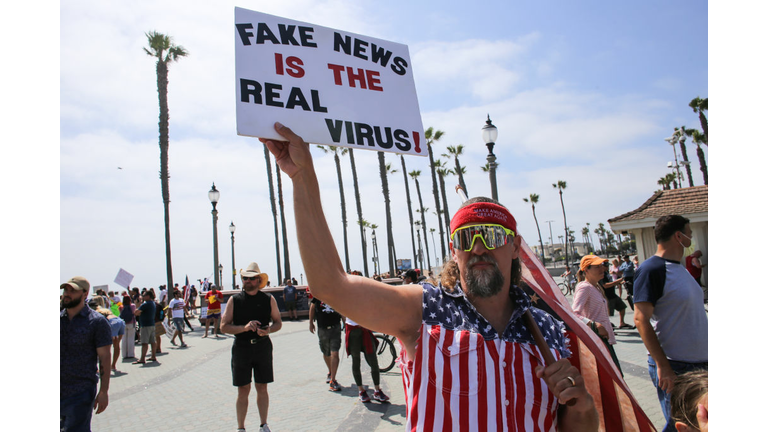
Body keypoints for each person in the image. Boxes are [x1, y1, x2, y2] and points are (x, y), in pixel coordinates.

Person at [261, 123, 598, 430]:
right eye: (467, 238)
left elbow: (573, 423)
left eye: (492, 236)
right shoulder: (424, 310)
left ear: (514, 247)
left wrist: (582, 406)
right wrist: (302, 177)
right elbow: (330, 286)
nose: (479, 248)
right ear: (455, 251)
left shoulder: (549, 331)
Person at [633, 215, 708, 432]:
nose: (691, 238)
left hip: (699, 363)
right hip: (677, 366)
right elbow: (640, 318)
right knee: (680, 425)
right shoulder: (651, 269)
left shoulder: (680, 268)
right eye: (689, 234)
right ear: (679, 236)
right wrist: (663, 365)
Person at [221, 262, 282, 432]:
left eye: (251, 278)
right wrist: (244, 328)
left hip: (262, 347)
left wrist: (268, 330)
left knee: (262, 387)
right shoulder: (235, 300)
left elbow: (278, 323)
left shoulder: (268, 299)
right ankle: (241, 428)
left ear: (258, 280)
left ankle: (264, 424)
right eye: (245, 278)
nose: (248, 281)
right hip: (242, 348)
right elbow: (223, 326)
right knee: (243, 389)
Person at [60, 276, 112, 431]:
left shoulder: (96, 322)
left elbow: (105, 357)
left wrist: (104, 391)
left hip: (80, 392)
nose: (67, 294)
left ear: (85, 294)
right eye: (66, 290)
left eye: (72, 291)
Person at [572, 256, 623, 375]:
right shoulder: (584, 287)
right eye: (597, 267)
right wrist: (594, 324)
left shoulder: (596, 287)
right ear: (586, 270)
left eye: (602, 266)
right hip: (596, 339)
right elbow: (574, 313)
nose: (602, 269)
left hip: (603, 339)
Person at [345, 316, 389, 403]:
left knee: (373, 362)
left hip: (365, 329)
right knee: (356, 361)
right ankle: (361, 390)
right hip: (352, 330)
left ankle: (377, 390)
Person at [309, 295, 344, 392]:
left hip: (335, 327)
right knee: (326, 353)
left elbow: (342, 309)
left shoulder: (336, 294)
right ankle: (330, 371)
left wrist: (345, 323)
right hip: (322, 328)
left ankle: (333, 380)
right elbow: (312, 307)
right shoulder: (318, 294)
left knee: (335, 353)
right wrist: (311, 323)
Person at [600, 261, 631, 329]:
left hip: (613, 294)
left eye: (608, 265)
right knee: (608, 314)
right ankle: (607, 327)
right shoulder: (601, 275)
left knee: (622, 307)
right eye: (606, 266)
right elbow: (605, 285)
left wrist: (619, 283)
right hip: (607, 296)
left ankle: (622, 323)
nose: (607, 267)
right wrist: (617, 281)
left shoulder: (606, 273)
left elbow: (610, 282)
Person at [96, 307, 126, 374]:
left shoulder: (100, 314)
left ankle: (105, 367)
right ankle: (113, 365)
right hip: (120, 321)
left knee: (106, 347)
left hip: (113, 323)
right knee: (116, 345)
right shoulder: (110, 313)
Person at [133, 290, 157, 364]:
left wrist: (137, 304)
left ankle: (142, 358)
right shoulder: (152, 303)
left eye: (144, 295)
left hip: (145, 325)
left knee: (144, 342)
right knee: (153, 341)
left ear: (148, 296)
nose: (143, 297)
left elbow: (136, 312)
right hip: (152, 324)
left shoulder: (145, 304)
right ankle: (153, 356)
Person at [119, 295, 136, 359]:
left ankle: (124, 354)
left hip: (124, 324)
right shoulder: (133, 306)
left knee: (124, 339)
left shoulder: (121, 307)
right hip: (131, 323)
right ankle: (130, 354)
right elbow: (134, 313)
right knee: (131, 339)